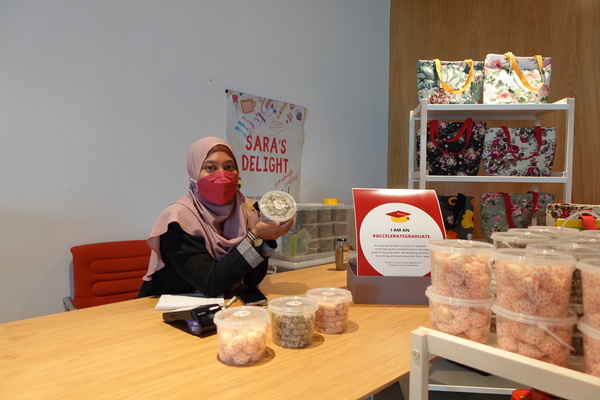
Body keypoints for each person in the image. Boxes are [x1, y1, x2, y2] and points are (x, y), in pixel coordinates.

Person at [138, 137, 294, 297]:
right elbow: (211, 284)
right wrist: (254, 238)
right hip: (165, 308)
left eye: (229, 167)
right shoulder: (178, 220)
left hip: (221, 305)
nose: (222, 175)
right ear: (194, 174)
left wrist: (266, 239)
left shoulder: (249, 210)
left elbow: (252, 280)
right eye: (210, 167)